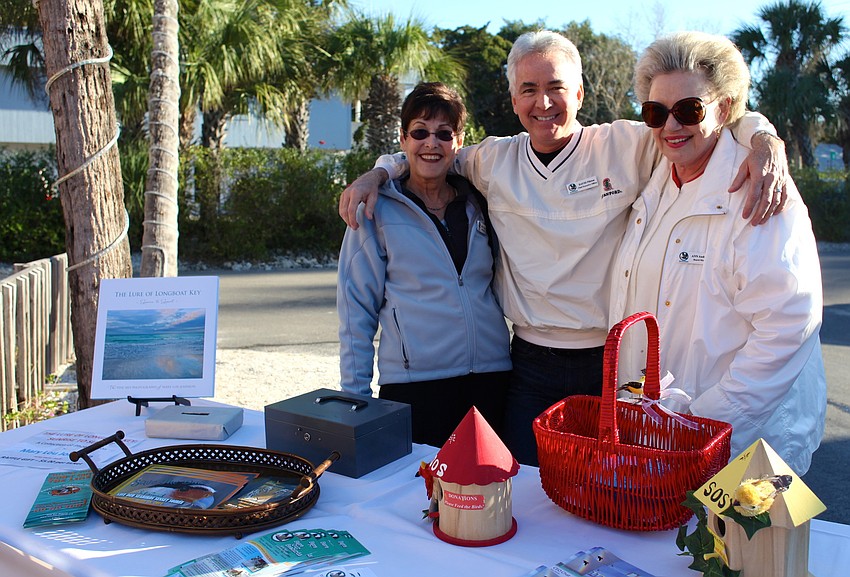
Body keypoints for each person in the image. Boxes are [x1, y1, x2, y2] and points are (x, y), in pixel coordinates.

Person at [338, 30, 789, 465]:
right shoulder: (494, 160)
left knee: (606, 486)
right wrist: (378, 172)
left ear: (579, 93)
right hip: (528, 365)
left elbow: (708, 119)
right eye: (528, 89)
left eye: (556, 86)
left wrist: (764, 137)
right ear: (514, 99)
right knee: (526, 488)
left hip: (609, 364)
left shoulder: (626, 144)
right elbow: (431, 152)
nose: (543, 102)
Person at [609, 31, 825, 475]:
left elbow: (789, 322)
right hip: (667, 434)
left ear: (724, 109)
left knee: (742, 546)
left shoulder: (761, 191)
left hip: (748, 444)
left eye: (689, 110)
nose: (670, 126)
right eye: (655, 112)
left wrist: (709, 422)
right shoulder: (659, 178)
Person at [337, 82, 512, 448]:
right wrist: (356, 399)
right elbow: (356, 312)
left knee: (489, 496)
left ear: (458, 141)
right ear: (403, 139)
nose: (431, 143)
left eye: (443, 134)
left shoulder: (478, 201)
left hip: (493, 380)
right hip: (415, 388)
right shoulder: (375, 209)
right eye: (420, 132)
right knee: (418, 499)